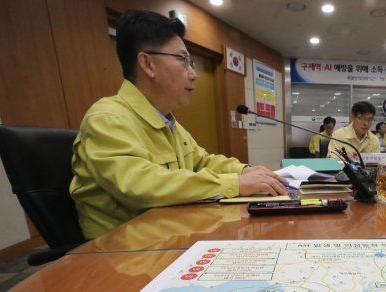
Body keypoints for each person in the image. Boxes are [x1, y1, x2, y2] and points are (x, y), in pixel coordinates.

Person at [70, 10, 288, 239]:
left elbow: (202, 161)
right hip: (122, 253)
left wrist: (245, 171)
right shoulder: (107, 118)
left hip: (168, 235)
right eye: (183, 60)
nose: (193, 74)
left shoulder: (168, 121)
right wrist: (235, 183)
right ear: (147, 64)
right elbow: (140, 186)